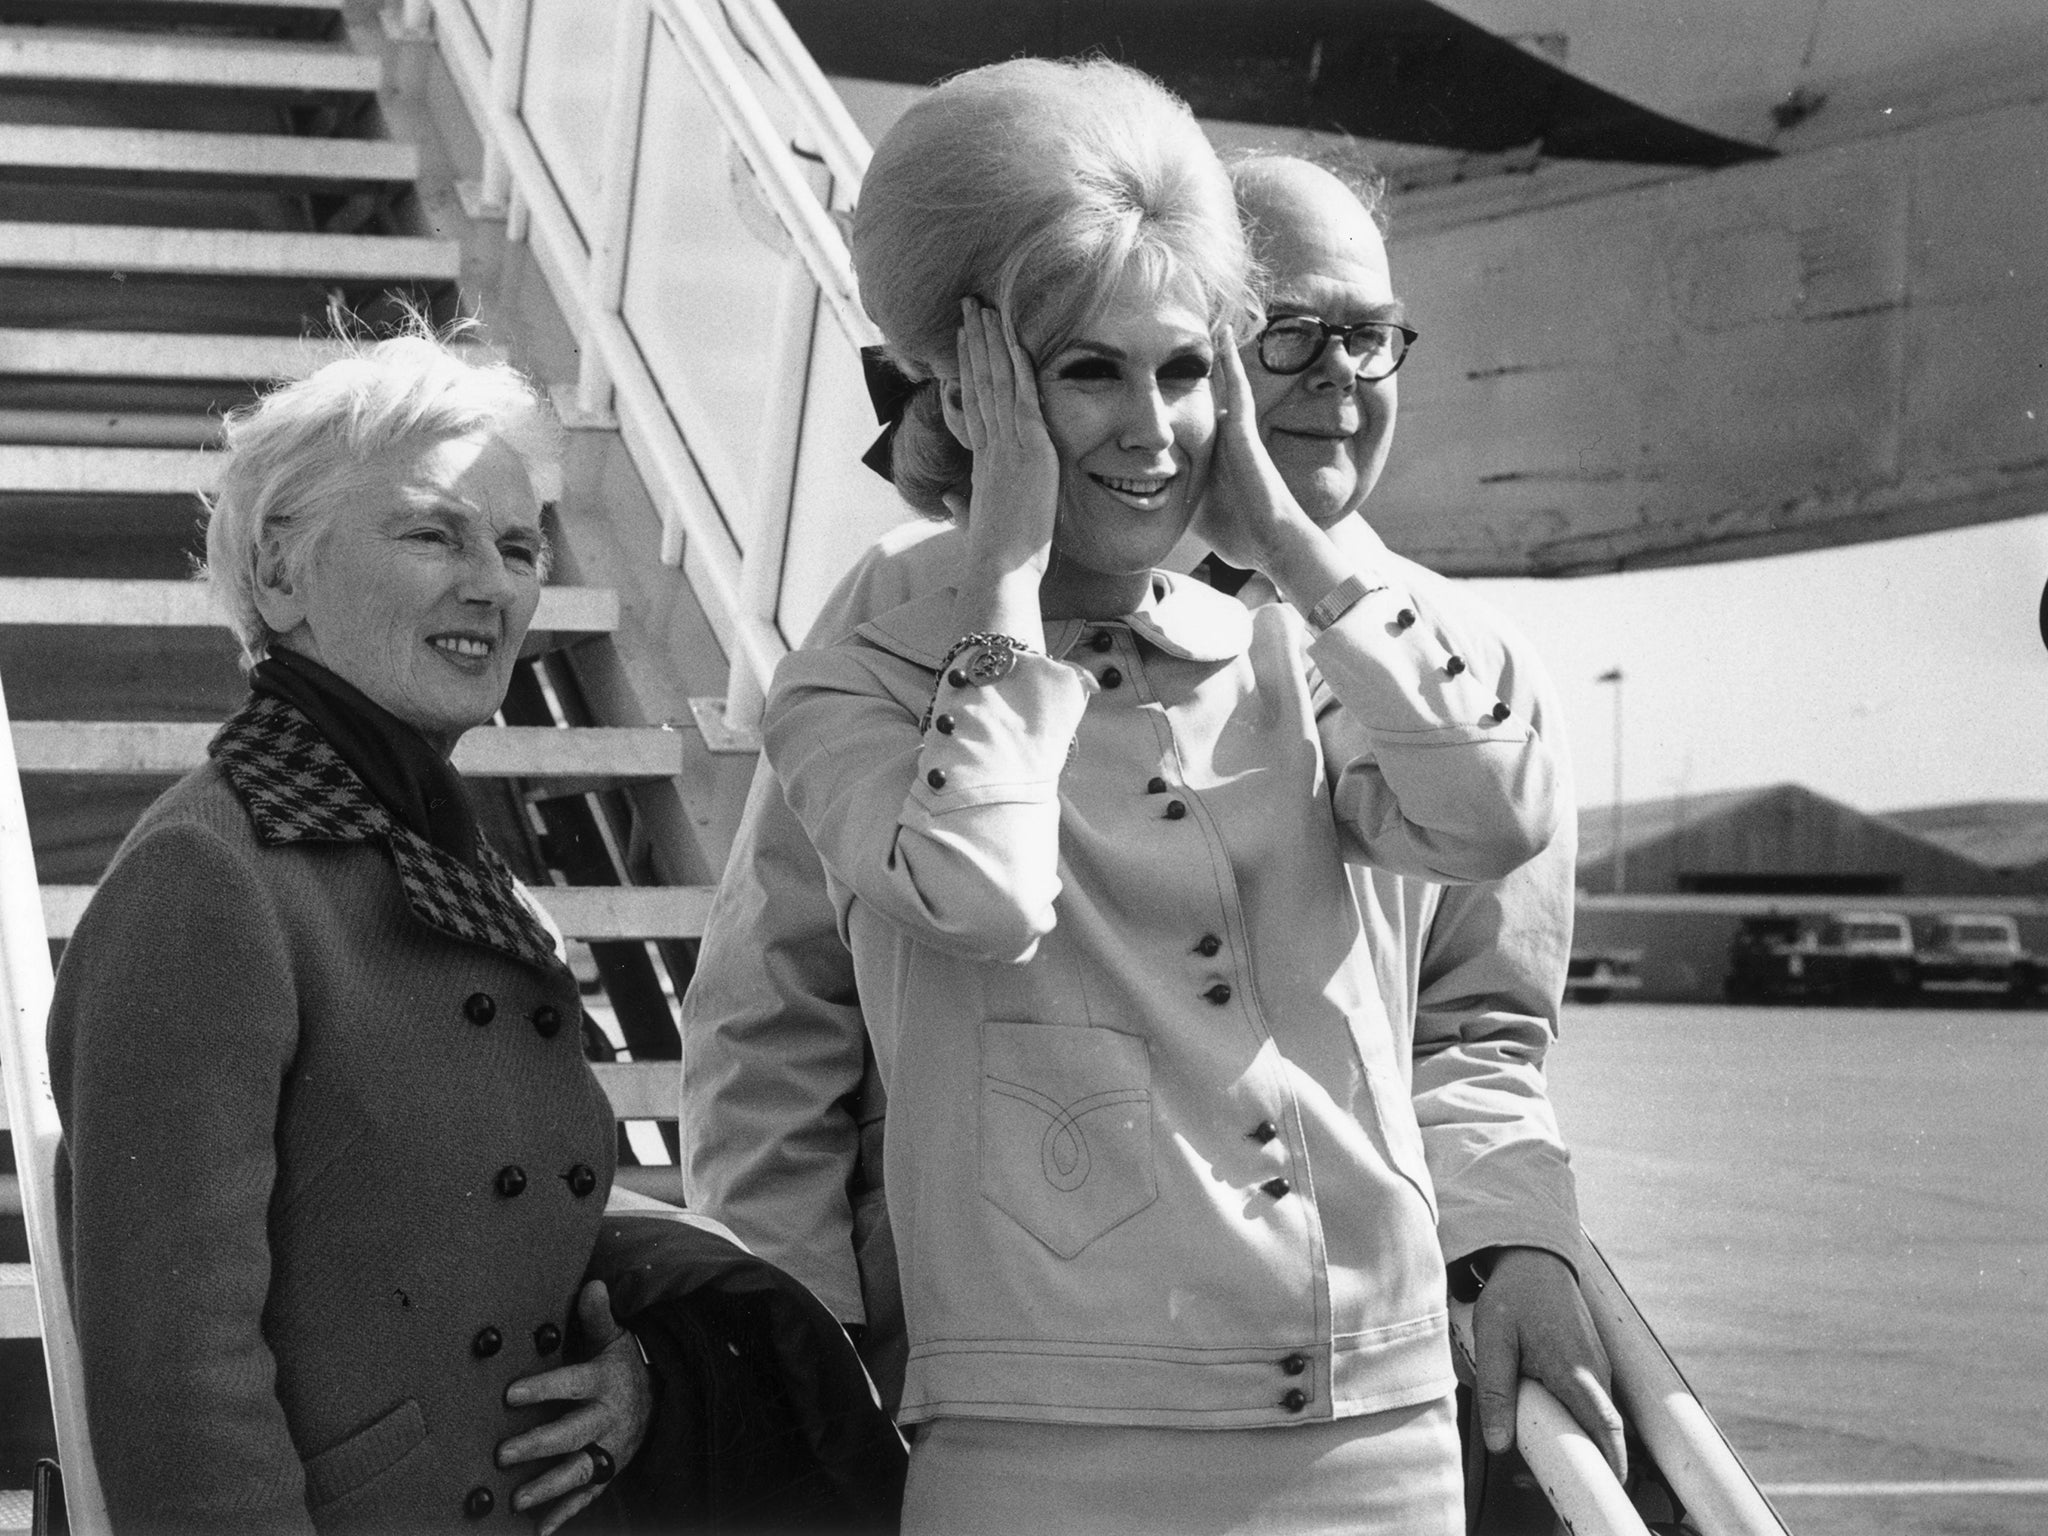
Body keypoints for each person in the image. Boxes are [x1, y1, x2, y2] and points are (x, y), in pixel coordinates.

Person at [682, 146, 1623, 1477]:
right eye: (1285, 335)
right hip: (1017, 1388)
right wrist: (785, 1343)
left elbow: (1481, 1027)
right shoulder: (913, 613)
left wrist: (1518, 1234)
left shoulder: (1463, 663)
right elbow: (776, 1016)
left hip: (1333, 1398)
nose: (1339, 376)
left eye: (1369, 335)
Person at [46, 328, 904, 1534]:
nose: (494, 584)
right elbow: (175, 1378)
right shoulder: (211, 873)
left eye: (516, 547)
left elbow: (500, 1218)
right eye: (432, 532)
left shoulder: (432, 852)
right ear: (281, 578)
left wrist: (638, 1376)